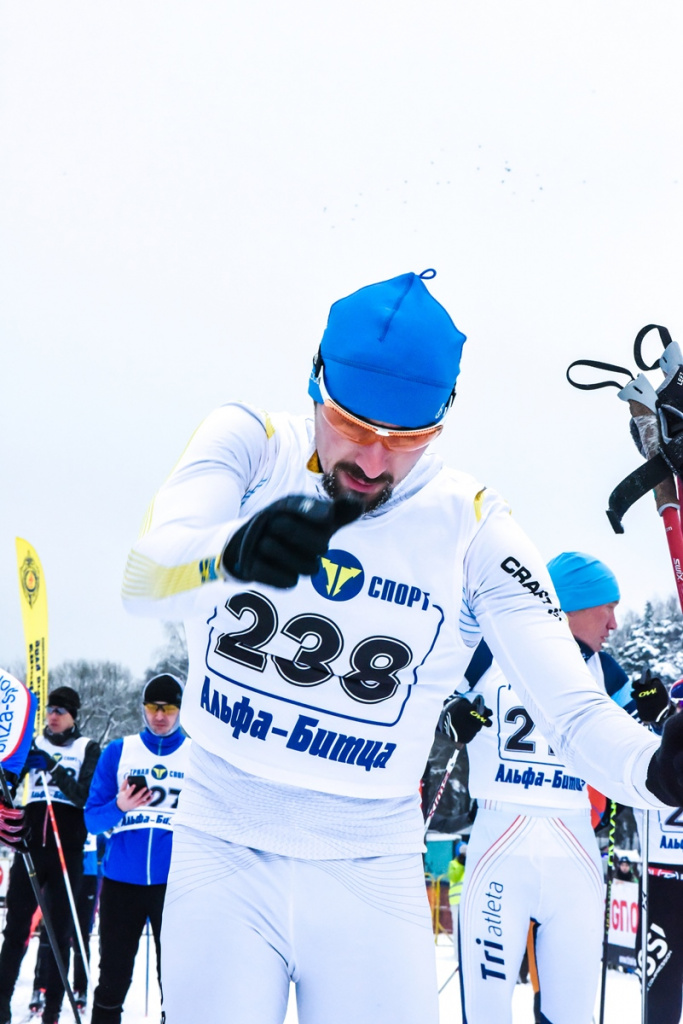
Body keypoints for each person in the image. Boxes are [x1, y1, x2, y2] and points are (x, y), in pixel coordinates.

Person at [121, 270, 683, 1024]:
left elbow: (571, 712)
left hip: (369, 871)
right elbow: (146, 577)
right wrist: (228, 557)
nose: (375, 463)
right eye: (352, 428)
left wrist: (654, 768)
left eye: (407, 440)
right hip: (222, 846)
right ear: (315, 382)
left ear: (441, 422)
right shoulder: (252, 445)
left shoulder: (472, 524)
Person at [457, 552, 636, 1024]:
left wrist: (657, 719)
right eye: (607, 607)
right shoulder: (487, 651)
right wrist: (452, 718)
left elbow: (635, 755)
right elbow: (427, 704)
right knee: (487, 1012)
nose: (614, 623)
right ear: (573, 604)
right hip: (501, 844)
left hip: (573, 851)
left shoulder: (609, 675)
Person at [84, 674, 190, 1024]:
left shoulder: (196, 755)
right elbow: (92, 821)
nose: (160, 716)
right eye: (153, 707)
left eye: (169, 708)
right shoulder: (119, 751)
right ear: (143, 709)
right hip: (121, 884)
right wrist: (120, 807)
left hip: (174, 886)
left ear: (180, 709)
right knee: (112, 979)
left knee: (176, 983)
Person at [0, 686, 100, 1024]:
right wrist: (13, 774)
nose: (53, 716)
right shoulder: (31, 745)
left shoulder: (87, 747)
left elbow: (85, 796)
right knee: (16, 930)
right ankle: (1, 1004)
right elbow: (7, 789)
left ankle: (53, 1010)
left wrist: (54, 768)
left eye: (61, 711)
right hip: (29, 847)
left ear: (74, 716)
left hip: (66, 850)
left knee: (60, 934)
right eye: (50, 709)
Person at [447, 840, 467, 957]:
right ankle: (458, 954)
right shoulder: (453, 864)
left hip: (466, 901)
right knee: (458, 928)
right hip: (456, 901)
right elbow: (454, 877)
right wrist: (460, 864)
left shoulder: (470, 863)